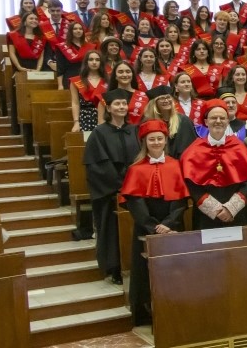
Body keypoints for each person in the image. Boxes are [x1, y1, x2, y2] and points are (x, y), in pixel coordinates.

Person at [120, 119, 188, 326]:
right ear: (145, 142)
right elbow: (134, 202)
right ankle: (145, 313)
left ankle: (177, 309)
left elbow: (181, 199)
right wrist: (153, 226)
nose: (156, 142)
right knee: (144, 271)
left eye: (160, 139)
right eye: (152, 139)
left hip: (172, 225)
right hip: (146, 228)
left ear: (166, 141)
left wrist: (169, 223)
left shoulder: (175, 165)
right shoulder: (136, 169)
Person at [83, 88, 139, 284]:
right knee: (112, 229)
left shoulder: (134, 130)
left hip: (136, 190)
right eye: (117, 104)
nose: (122, 107)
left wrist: (135, 183)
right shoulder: (99, 133)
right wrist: (120, 185)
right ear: (108, 107)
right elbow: (97, 165)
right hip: (111, 193)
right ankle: (115, 267)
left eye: (124, 103)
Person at [181, 99, 247, 229]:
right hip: (205, 217)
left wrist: (231, 209)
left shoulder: (239, 147)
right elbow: (192, 184)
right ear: (206, 122)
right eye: (214, 118)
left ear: (227, 121)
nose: (218, 121)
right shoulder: (193, 150)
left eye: (222, 118)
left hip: (236, 215)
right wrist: (215, 209)